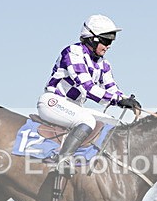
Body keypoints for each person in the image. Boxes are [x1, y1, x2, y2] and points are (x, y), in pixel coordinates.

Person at [37, 14, 141, 172]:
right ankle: (62, 160)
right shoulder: (73, 52)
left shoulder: (104, 64)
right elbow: (87, 87)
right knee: (87, 120)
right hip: (53, 103)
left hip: (75, 107)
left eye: (111, 42)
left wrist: (127, 100)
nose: (108, 46)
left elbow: (111, 88)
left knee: (116, 124)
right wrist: (118, 100)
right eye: (106, 41)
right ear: (93, 39)